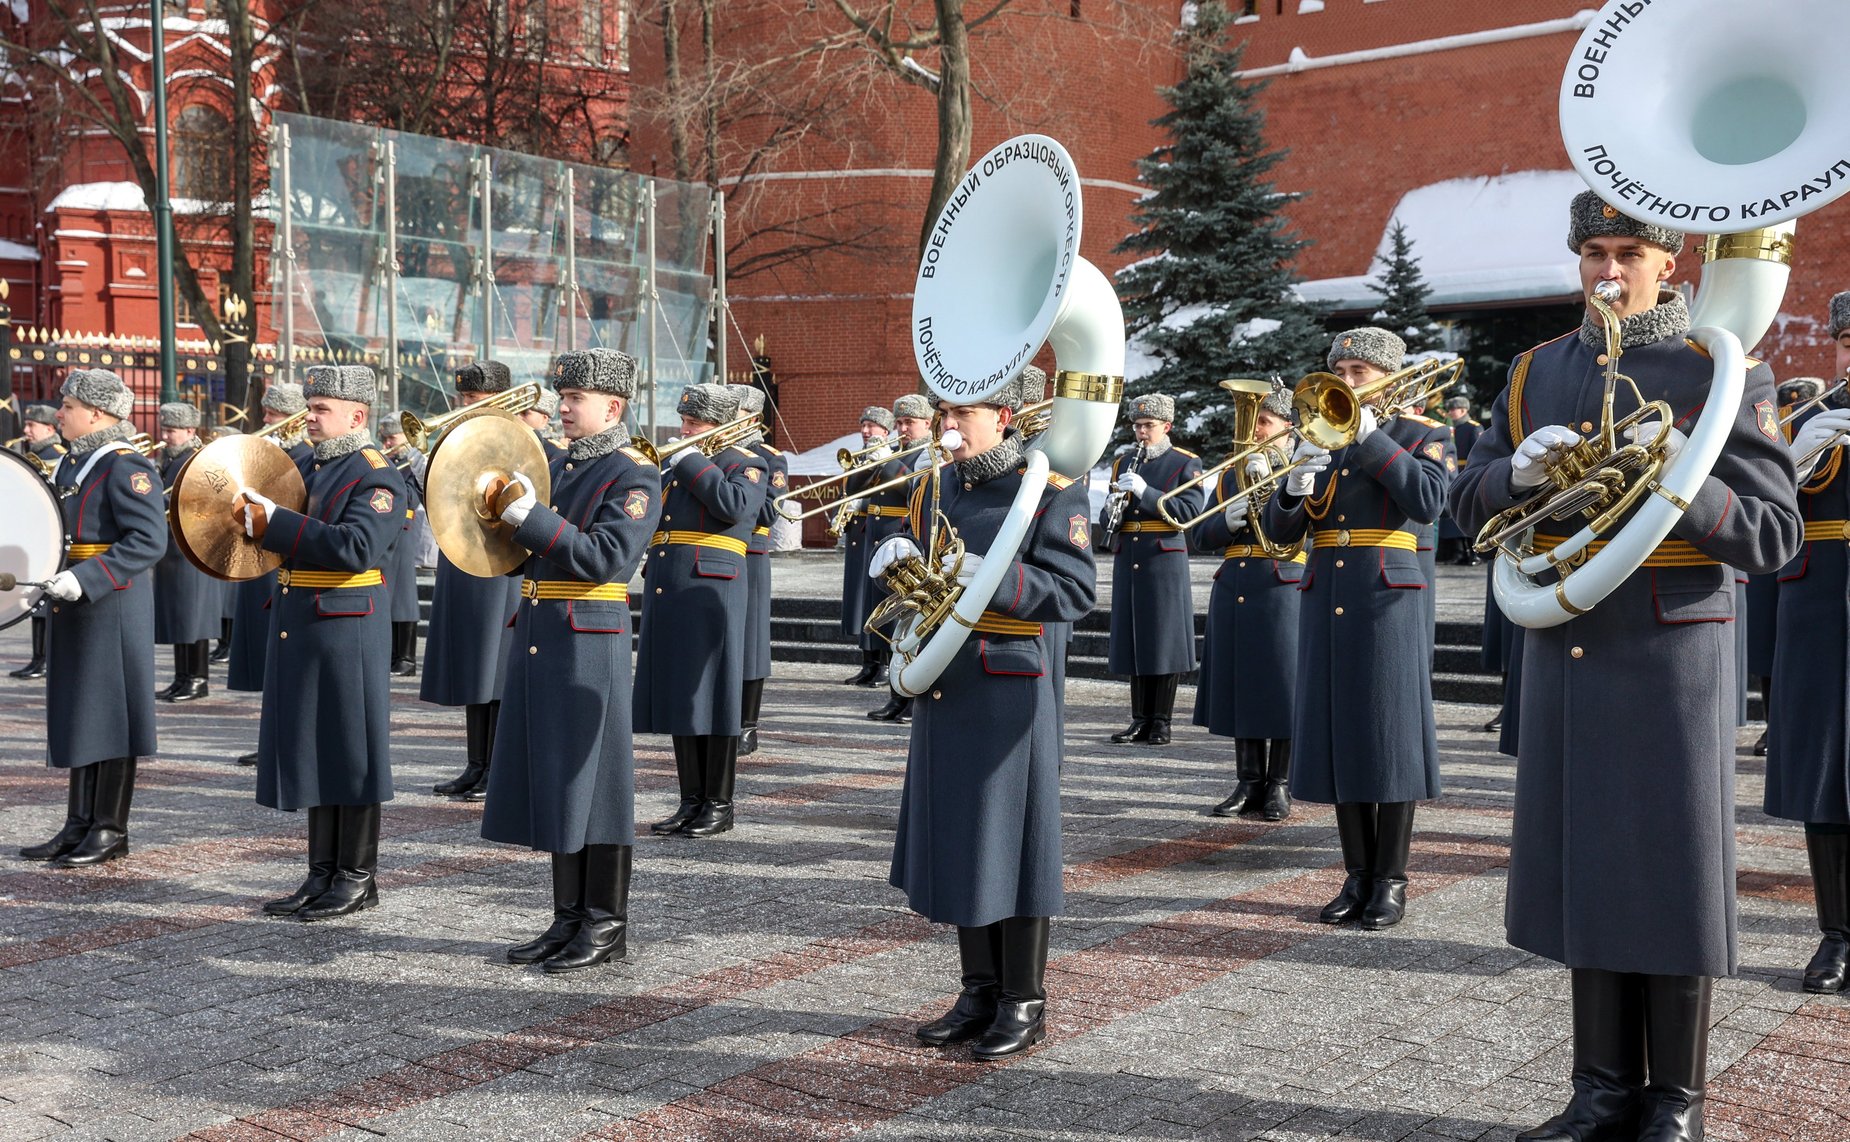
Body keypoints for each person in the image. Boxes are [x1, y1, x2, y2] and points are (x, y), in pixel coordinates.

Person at [1450, 192, 1800, 1142]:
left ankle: (1676, 1102)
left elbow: (1773, 534)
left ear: (1667, 265)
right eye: (1595, 252)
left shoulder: (1720, 369)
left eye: (1629, 254)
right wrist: (1514, 475)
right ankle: (1602, 1091)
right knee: (1591, 870)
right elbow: (1463, 504)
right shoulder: (1533, 372)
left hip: (1673, 647)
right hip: (1569, 639)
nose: (1610, 270)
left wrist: (1684, 472)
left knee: (1672, 874)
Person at [867, 370, 1096, 1060]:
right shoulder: (939, 486)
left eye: (962, 414)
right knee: (964, 841)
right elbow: (925, 583)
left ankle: (1024, 999)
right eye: (943, 412)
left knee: (1015, 845)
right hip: (947, 679)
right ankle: (978, 990)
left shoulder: (1053, 489)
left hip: (1006, 683)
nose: (948, 427)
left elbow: (1074, 590)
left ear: (1005, 416)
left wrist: (986, 575)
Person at [481, 349, 661, 972]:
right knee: (560, 781)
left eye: (575, 397)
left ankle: (606, 923)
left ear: (612, 406)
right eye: (562, 396)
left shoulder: (633, 473)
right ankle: (567, 918)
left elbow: (605, 557)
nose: (561, 406)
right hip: (541, 629)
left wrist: (528, 516)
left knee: (599, 783)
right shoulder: (555, 464)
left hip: (589, 636)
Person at [1264, 327, 1449, 931]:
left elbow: (1428, 501)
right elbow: (1282, 534)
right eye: (1339, 371)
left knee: (1388, 737)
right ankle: (1356, 874)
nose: (1344, 383)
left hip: (1386, 597)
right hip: (1326, 593)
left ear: (1388, 379)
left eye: (1358, 373)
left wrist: (1371, 441)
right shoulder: (1320, 439)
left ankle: (1390, 879)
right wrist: (1292, 485)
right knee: (1343, 733)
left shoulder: (1421, 435)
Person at [235, 363, 407, 920]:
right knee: (316, 747)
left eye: (321, 409)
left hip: (347, 625)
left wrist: (275, 522)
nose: (309, 416)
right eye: (310, 406)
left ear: (357, 416)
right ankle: (320, 873)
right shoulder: (307, 462)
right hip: (304, 618)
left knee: (350, 749)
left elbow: (356, 547)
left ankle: (356, 876)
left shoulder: (377, 473)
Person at [17, 369, 164, 868]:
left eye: (68, 406)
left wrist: (88, 578)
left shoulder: (126, 466)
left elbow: (148, 540)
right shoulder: (76, 463)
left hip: (111, 606)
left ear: (96, 413)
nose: (59, 413)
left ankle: (109, 828)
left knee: (113, 720)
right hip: (78, 602)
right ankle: (78, 823)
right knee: (82, 715)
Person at [1764, 292, 1850, 996]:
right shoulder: (1808, 418)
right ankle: (1837, 934)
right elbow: (1759, 522)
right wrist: (1789, 466)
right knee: (1827, 777)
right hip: (1818, 608)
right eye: (1848, 341)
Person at [637, 383, 768, 837]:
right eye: (685, 421)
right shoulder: (676, 469)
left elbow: (733, 507)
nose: (684, 430)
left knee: (715, 698)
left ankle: (719, 802)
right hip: (672, 588)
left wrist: (690, 459)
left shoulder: (747, 463)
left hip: (712, 591)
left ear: (722, 425)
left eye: (695, 423)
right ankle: (690, 799)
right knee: (683, 697)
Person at [1192, 383, 1301, 820]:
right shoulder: (1230, 471)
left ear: (1288, 427)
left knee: (1282, 686)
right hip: (1236, 582)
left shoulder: (1305, 464)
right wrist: (1226, 519)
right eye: (1254, 420)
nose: (1255, 429)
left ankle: (1280, 783)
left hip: (1283, 581)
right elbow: (1198, 535)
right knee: (1243, 686)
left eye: (1265, 421)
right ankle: (1248, 780)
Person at [420, 362, 524, 801]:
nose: (465, 407)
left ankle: (496, 768)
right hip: (462, 556)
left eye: (474, 401)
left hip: (499, 560)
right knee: (472, 667)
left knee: (495, 669)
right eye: (462, 399)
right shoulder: (457, 438)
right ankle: (475, 763)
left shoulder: (516, 440)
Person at [1103, 393, 1203, 746]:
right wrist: (1111, 505)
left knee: (1163, 639)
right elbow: (1109, 521)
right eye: (1137, 426)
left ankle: (1161, 720)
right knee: (1135, 638)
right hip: (1130, 554)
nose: (1142, 432)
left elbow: (1189, 513)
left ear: (1167, 426)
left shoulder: (1185, 463)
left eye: (1149, 426)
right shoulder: (1123, 463)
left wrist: (1147, 493)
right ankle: (1139, 719)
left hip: (1163, 557)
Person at [226, 383, 313, 766]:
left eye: (274, 414)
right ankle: (273, 739)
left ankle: (284, 743)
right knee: (270, 660)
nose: (266, 420)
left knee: (285, 660)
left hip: (282, 563)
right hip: (260, 560)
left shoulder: (303, 458)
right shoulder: (269, 454)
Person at [867, 392, 938, 724]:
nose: (902, 428)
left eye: (908, 422)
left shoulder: (932, 452)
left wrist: (889, 462)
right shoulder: (896, 451)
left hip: (922, 547)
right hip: (897, 547)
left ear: (927, 423)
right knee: (901, 629)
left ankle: (909, 698)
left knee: (916, 628)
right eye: (898, 422)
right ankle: (898, 695)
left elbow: (912, 488)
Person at [152, 402, 222, 703]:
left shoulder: (198, 459)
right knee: (179, 617)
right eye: (164, 429)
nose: (166, 436)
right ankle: (182, 677)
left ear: (190, 431)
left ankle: (198, 678)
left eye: (172, 431)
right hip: (172, 549)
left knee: (194, 617)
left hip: (193, 549)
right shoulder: (169, 458)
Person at [732, 383, 785, 755]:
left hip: (750, 554)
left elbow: (770, 509)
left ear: (751, 417)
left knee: (750, 641)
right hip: (715, 556)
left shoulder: (767, 457)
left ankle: (747, 724)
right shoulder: (715, 454)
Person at [839, 406, 897, 687]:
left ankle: (884, 663)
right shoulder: (862, 456)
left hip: (886, 531)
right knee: (863, 601)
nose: (865, 431)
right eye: (863, 426)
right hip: (863, 532)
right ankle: (869, 662)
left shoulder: (895, 454)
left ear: (886, 431)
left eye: (871, 426)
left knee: (881, 600)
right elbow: (852, 487)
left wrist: (884, 462)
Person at [8, 402, 64, 680]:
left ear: (49, 428)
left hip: (47, 539)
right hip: (32, 536)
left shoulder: (57, 455)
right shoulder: (33, 454)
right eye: (27, 425)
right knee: (31, 597)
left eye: (32, 426)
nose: (26, 430)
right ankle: (37, 657)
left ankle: (44, 658)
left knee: (41, 600)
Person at [377, 414, 423, 676]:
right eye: (384, 438)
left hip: (404, 531)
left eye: (391, 438)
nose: (386, 443)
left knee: (404, 596)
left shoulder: (411, 464)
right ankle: (393, 654)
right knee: (390, 595)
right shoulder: (391, 462)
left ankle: (406, 657)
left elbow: (409, 498)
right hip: (387, 532)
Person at [1436, 395, 1482, 566]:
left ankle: (1474, 553)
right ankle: (1460, 551)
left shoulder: (1473, 428)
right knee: (1455, 517)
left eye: (1453, 409)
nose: (1450, 413)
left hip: (1468, 474)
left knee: (1470, 514)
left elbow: (1478, 452)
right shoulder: (1449, 429)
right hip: (1453, 474)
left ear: (1463, 410)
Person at [519, 387, 568, 456]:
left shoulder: (555, 452)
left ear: (544, 419)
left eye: (524, 413)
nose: (518, 417)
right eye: (516, 412)